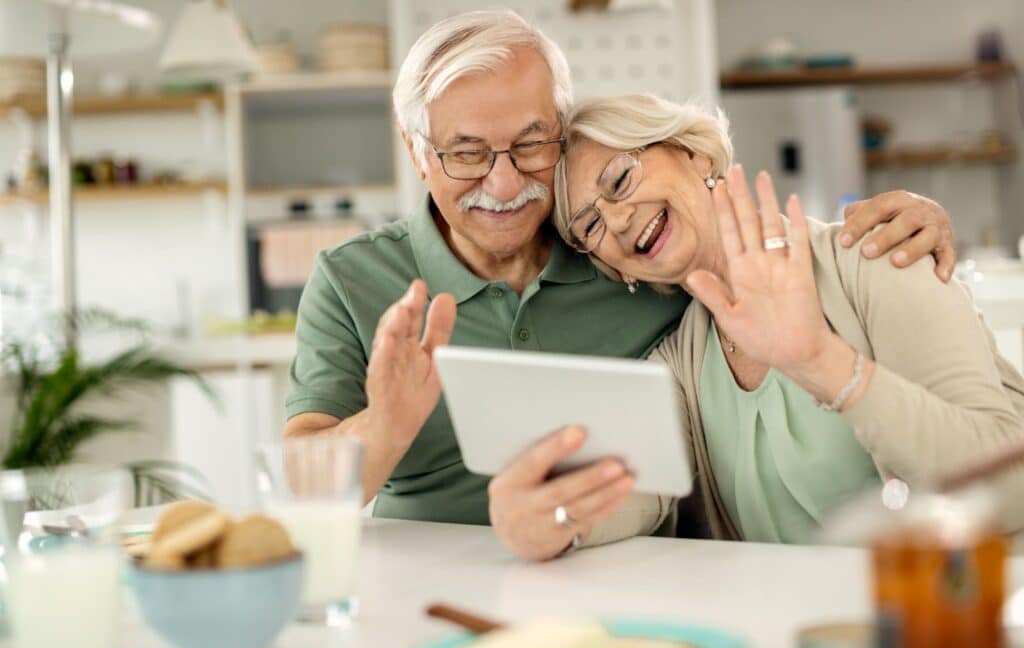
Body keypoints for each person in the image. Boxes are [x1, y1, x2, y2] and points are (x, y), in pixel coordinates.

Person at [284, 10, 958, 560]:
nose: (504, 183)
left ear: (560, 130)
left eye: (530, 144)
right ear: (415, 148)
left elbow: (740, 252)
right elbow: (297, 491)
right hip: (421, 585)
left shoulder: (625, 257)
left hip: (631, 578)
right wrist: (386, 426)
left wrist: (892, 220)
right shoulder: (350, 279)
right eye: (465, 153)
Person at [552, 93, 1024, 543]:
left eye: (618, 181)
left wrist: (824, 363)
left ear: (693, 153)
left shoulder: (878, 257)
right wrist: (558, 519)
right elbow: (634, 490)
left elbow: (1007, 488)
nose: (613, 221)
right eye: (590, 226)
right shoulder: (683, 362)